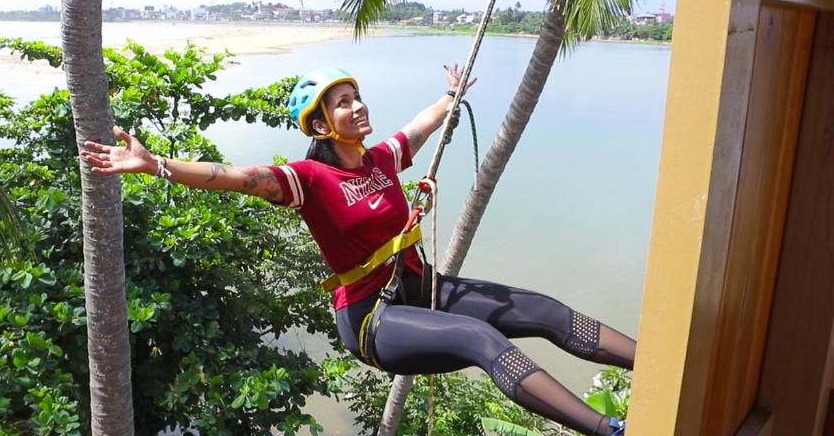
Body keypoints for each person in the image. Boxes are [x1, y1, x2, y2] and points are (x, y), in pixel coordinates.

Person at [81, 65, 633, 436]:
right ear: (321, 124)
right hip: (375, 316)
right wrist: (157, 165)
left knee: (539, 309)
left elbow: (417, 129)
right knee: (481, 338)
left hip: (423, 288)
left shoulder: (381, 161)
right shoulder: (308, 178)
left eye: (357, 97)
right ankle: (610, 430)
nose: (358, 107)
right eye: (344, 104)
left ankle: (662, 358)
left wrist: (450, 96)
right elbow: (237, 176)